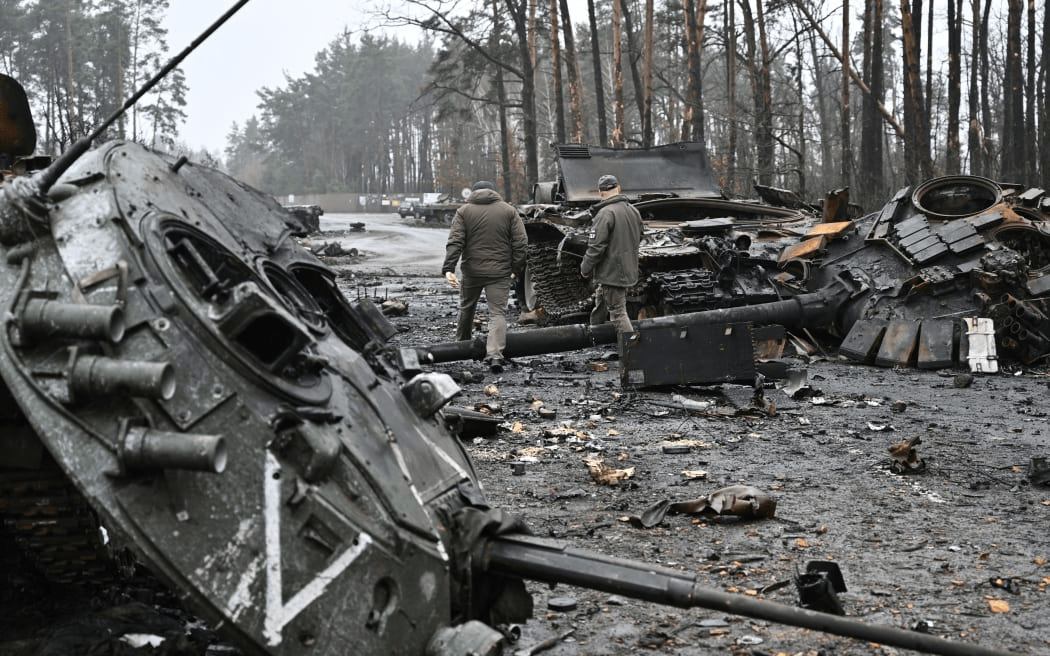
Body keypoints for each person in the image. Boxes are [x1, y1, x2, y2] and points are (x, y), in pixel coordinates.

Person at [442, 180, 527, 372]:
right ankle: (495, 355)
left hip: (472, 271)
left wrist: (449, 268)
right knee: (497, 313)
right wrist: (516, 267)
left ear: (473, 193)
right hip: (500, 272)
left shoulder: (463, 211)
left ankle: (462, 345)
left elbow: (455, 241)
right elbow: (521, 242)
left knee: (466, 307)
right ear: (493, 192)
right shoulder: (508, 211)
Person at [580, 174, 643, 337]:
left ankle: (632, 351)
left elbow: (595, 248)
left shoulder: (605, 214)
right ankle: (596, 335)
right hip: (628, 269)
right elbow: (640, 236)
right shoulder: (634, 210)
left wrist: (585, 268)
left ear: (600, 193)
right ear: (619, 189)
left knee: (618, 313)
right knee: (602, 300)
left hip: (612, 272)